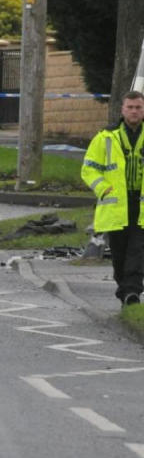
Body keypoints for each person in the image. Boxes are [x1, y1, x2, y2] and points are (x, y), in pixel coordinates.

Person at [82, 91, 144, 306]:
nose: (134, 111)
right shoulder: (106, 137)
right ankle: (125, 290)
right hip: (117, 204)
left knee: (138, 251)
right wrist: (103, 189)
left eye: (138, 107)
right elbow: (89, 169)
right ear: (123, 110)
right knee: (119, 254)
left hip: (141, 204)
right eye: (130, 107)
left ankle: (132, 293)